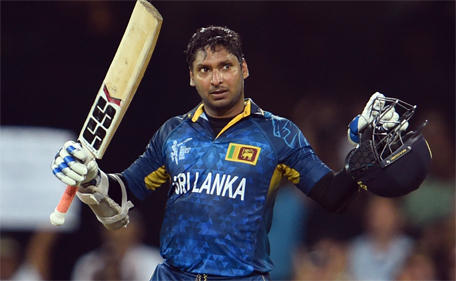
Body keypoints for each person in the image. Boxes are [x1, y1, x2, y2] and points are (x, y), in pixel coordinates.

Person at [50, 26, 426, 280]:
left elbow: (331, 196)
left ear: (243, 69)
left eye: (225, 66)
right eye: (205, 69)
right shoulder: (172, 134)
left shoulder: (278, 134)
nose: (216, 79)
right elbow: (124, 197)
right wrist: (91, 179)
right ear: (192, 76)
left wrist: (359, 165)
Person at [71, 210, 163, 281]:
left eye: (124, 226)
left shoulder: (152, 262)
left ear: (138, 230)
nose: (119, 233)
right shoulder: (88, 263)